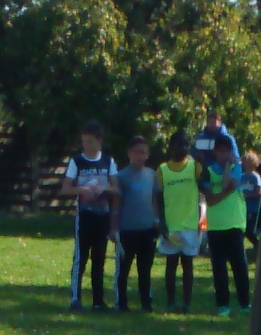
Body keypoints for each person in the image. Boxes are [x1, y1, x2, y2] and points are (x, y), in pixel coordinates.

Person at [64, 124, 118, 312]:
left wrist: (104, 188)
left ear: (99, 141)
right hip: (84, 216)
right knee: (80, 258)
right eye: (84, 141)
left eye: (90, 141)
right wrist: (81, 189)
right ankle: (75, 299)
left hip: (102, 216)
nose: (86, 145)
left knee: (99, 258)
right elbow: (66, 188)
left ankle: (98, 301)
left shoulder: (108, 161)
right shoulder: (77, 161)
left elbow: (116, 188)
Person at [200, 131, 251, 316]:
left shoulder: (236, 167)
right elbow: (216, 195)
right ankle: (223, 304)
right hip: (215, 226)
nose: (224, 155)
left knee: (239, 266)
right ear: (215, 152)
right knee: (219, 267)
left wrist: (229, 165)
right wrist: (224, 191)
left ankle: (244, 303)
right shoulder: (208, 170)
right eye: (221, 152)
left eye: (227, 151)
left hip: (235, 224)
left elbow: (229, 183)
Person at [158, 129, 205, 312]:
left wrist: (203, 163)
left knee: (187, 265)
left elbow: (206, 182)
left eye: (186, 145)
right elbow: (158, 198)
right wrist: (161, 223)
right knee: (171, 265)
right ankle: (171, 301)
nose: (183, 148)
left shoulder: (194, 166)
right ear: (171, 147)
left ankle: (186, 303)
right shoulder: (162, 170)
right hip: (171, 225)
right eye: (179, 144)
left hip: (190, 225)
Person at [114, 135, 159, 312]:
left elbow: (154, 199)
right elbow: (116, 203)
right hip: (127, 229)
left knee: (145, 268)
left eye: (144, 152)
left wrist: (156, 219)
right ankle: (121, 303)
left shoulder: (151, 175)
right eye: (137, 152)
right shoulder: (121, 176)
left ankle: (146, 302)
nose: (141, 156)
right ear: (129, 153)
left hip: (147, 229)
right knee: (124, 268)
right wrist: (114, 227)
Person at [241, 149, 261, 249]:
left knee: (248, 230)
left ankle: (258, 244)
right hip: (242, 208)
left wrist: (248, 196)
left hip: (251, 208)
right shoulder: (241, 176)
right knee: (241, 229)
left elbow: (259, 191)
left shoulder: (255, 177)